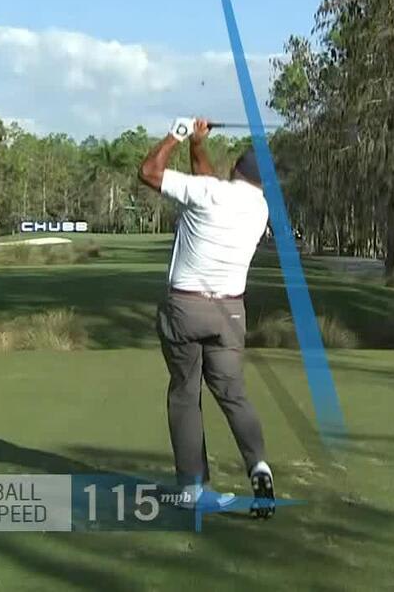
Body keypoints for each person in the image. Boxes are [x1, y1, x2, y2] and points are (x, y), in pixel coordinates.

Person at [137, 117, 275, 518]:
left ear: (235, 170)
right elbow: (208, 185)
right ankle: (259, 466)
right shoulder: (260, 208)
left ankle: (193, 489)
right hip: (230, 312)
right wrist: (199, 145)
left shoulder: (209, 192)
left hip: (185, 308)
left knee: (185, 392)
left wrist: (178, 135)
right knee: (233, 394)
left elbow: (149, 172)